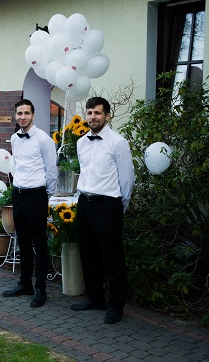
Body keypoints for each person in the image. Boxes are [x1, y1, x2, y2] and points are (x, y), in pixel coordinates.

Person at [70, 96, 134, 324]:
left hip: (108, 204)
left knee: (112, 259)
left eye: (97, 113)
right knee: (88, 255)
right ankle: (95, 298)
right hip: (85, 203)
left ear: (107, 116)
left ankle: (116, 306)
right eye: (89, 113)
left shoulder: (118, 142)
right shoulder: (81, 143)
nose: (92, 117)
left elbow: (127, 179)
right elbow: (86, 173)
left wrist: (119, 206)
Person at [2, 99, 57, 307]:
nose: (22, 116)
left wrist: (45, 195)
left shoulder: (44, 139)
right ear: (16, 116)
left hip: (37, 195)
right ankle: (25, 284)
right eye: (19, 113)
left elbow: (52, 171)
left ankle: (40, 289)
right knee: (22, 242)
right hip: (18, 194)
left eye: (26, 113)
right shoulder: (14, 138)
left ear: (33, 115)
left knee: (39, 245)